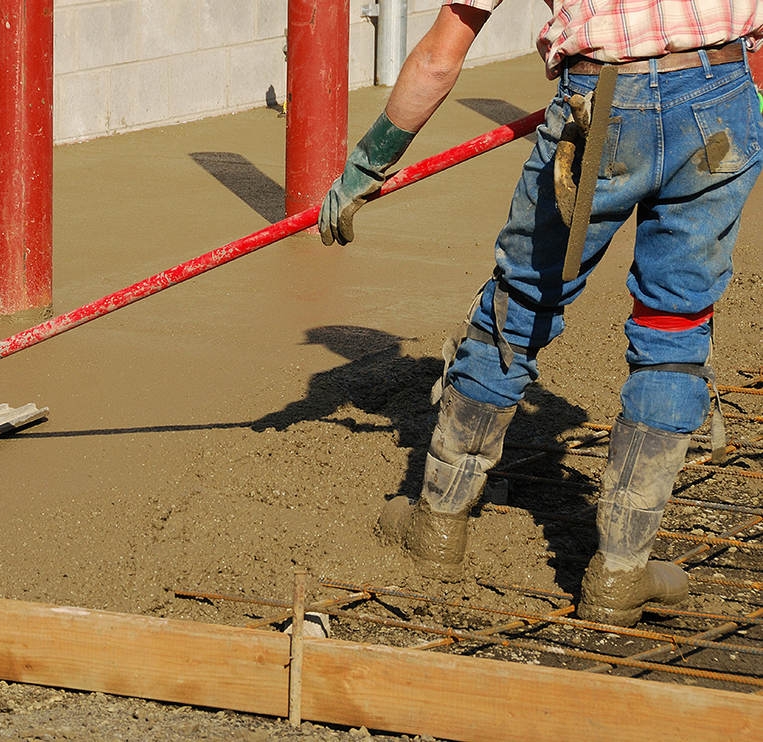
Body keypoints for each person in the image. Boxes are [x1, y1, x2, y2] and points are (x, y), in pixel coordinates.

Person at [319, 1, 763, 626]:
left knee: (522, 300)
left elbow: (441, 56)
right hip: (723, 98)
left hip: (604, 105)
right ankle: (621, 571)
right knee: (676, 325)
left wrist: (369, 161)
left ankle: (439, 524)